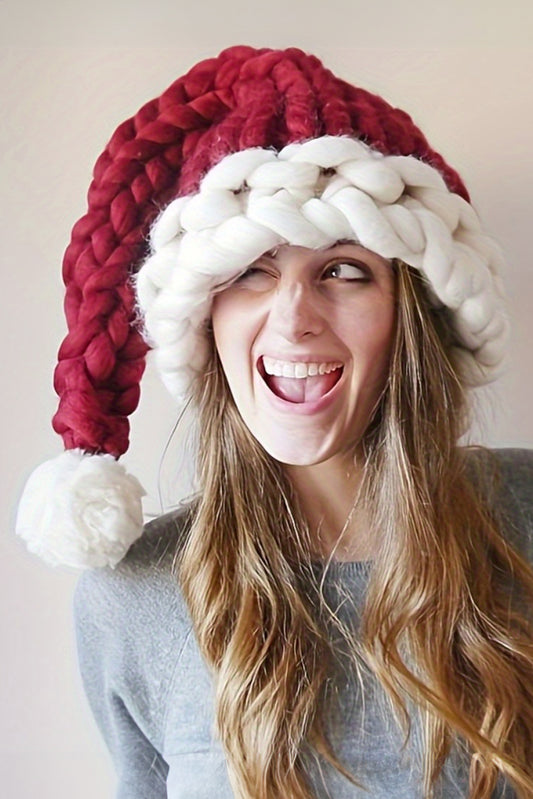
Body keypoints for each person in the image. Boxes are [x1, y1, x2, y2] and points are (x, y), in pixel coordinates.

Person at [15, 45, 533, 798]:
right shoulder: (131, 596)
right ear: (208, 317)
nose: (292, 321)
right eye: (251, 270)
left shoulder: (521, 521)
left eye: (342, 270)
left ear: (410, 315)